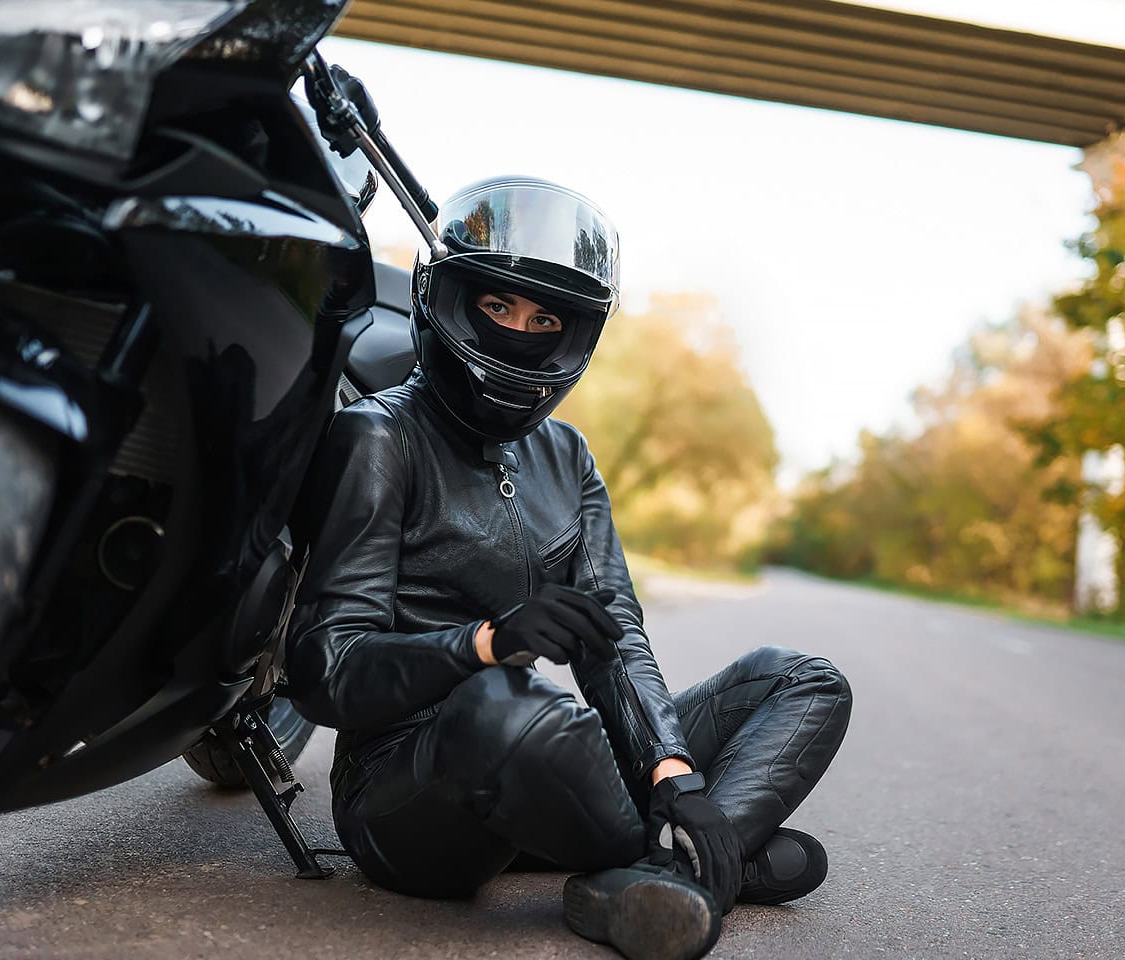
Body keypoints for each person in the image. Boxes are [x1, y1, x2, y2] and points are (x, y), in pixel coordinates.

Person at [285, 175, 852, 960]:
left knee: (804, 681)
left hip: (540, 763)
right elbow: (324, 670)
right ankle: (689, 862)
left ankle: (659, 870)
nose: (519, 331)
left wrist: (675, 775)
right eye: (498, 306)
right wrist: (483, 644)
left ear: (573, 332)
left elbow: (617, 639)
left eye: (544, 319)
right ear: (448, 298)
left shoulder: (567, 455)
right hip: (409, 790)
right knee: (505, 705)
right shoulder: (380, 436)